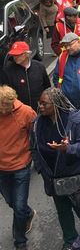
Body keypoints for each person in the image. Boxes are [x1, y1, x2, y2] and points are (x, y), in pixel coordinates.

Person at [31, 88, 80, 250]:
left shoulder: (74, 119)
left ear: (56, 104)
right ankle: (70, 241)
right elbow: (34, 148)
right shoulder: (37, 123)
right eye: (40, 103)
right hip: (53, 178)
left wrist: (67, 149)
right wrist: (41, 168)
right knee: (63, 212)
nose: (40, 106)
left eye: (44, 104)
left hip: (75, 177)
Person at [0, 85, 37, 250]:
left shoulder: (27, 112)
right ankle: (28, 214)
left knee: (19, 206)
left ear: (10, 103)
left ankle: (20, 241)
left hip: (21, 165)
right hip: (1, 168)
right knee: (11, 201)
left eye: (3, 107)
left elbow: (36, 133)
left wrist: (32, 155)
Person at [1, 41, 51, 108]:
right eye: (13, 55)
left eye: (18, 54)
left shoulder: (39, 67)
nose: (15, 57)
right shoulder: (7, 70)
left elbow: (47, 87)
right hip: (19, 112)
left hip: (40, 110)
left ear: (27, 54)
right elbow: (5, 93)